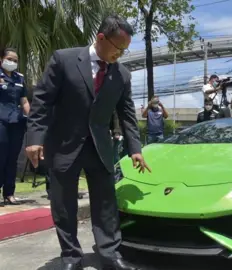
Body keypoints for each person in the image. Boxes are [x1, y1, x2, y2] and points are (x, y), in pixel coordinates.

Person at [25, 15, 150, 270]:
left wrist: (135, 149)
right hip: (64, 145)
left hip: (100, 148)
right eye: (118, 48)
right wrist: (35, 139)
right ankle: (71, 257)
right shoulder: (65, 59)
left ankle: (110, 254)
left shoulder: (122, 75)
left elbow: (127, 115)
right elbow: (42, 101)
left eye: (125, 50)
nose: (121, 54)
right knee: (64, 204)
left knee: (106, 204)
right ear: (101, 38)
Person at [0, 48, 30, 206]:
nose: (12, 62)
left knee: (12, 159)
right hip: (1, 121)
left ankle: (9, 193)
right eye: (9, 59)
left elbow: (24, 101)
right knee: (1, 156)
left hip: (17, 122)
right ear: (2, 59)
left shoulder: (20, 78)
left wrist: (32, 118)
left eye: (15, 60)